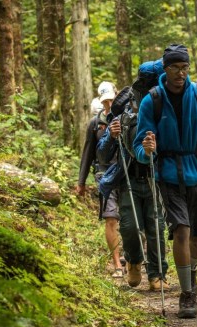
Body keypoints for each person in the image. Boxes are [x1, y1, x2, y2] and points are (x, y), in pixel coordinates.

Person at [133, 44, 197, 318]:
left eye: (184, 67)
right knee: (182, 231)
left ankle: (192, 270)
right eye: (175, 68)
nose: (180, 73)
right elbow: (140, 145)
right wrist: (147, 150)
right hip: (166, 175)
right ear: (165, 69)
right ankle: (187, 295)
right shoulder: (151, 101)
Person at [97, 93, 170, 291]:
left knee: (156, 226)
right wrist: (111, 136)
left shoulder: (161, 116)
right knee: (129, 226)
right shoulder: (121, 119)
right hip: (129, 180)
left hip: (154, 179)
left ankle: (157, 273)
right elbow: (102, 155)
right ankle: (134, 262)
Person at [76, 81, 124, 278]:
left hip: (125, 172)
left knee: (128, 219)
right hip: (103, 175)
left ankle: (131, 258)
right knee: (111, 218)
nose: (108, 105)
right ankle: (117, 265)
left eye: (111, 100)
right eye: (105, 102)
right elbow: (88, 153)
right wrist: (81, 182)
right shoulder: (95, 123)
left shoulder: (127, 118)